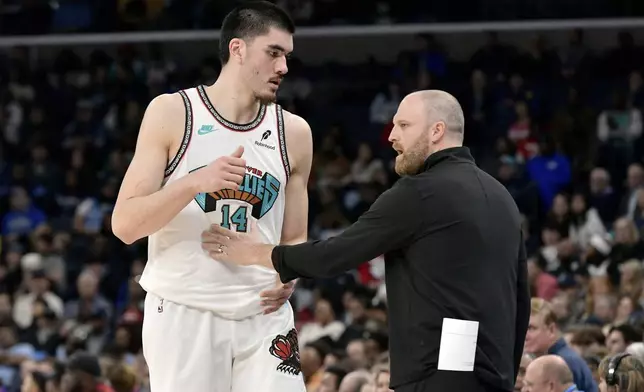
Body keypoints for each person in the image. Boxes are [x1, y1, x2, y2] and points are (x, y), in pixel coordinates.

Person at [203, 90, 530, 392]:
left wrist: (258, 253)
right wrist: (506, 372)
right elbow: (520, 300)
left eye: (403, 124)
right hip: (494, 374)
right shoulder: (503, 198)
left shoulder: (421, 192)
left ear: (436, 131)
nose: (391, 136)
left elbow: (335, 255)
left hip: (436, 374)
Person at [111, 1, 313, 391]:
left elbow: (294, 238)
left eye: (287, 56)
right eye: (273, 53)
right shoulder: (174, 113)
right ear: (237, 49)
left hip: (264, 312)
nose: (283, 68)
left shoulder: (296, 133)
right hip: (186, 310)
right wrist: (193, 182)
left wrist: (290, 273)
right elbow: (124, 225)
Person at [524, 298, 597, 392]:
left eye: (531, 328)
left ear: (551, 330)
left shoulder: (564, 362)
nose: (524, 336)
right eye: (522, 328)